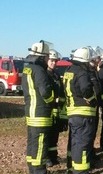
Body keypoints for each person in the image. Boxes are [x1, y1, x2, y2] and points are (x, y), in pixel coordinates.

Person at [63, 46, 98, 174]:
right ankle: (81, 171)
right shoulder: (82, 72)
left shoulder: (69, 70)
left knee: (75, 142)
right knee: (83, 144)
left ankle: (71, 167)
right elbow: (86, 89)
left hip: (72, 113)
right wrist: (93, 100)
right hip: (83, 113)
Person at [22, 41, 54, 174]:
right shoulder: (40, 70)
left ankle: (32, 169)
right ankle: (39, 170)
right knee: (40, 145)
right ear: (41, 57)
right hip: (40, 113)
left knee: (32, 144)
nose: (48, 59)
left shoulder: (27, 69)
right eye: (47, 56)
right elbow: (45, 92)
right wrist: (52, 100)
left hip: (30, 112)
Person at [46, 49, 67, 167]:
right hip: (48, 110)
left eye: (55, 61)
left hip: (58, 110)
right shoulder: (45, 74)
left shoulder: (56, 74)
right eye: (51, 61)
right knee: (47, 135)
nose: (53, 63)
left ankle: (53, 156)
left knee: (55, 135)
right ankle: (47, 157)